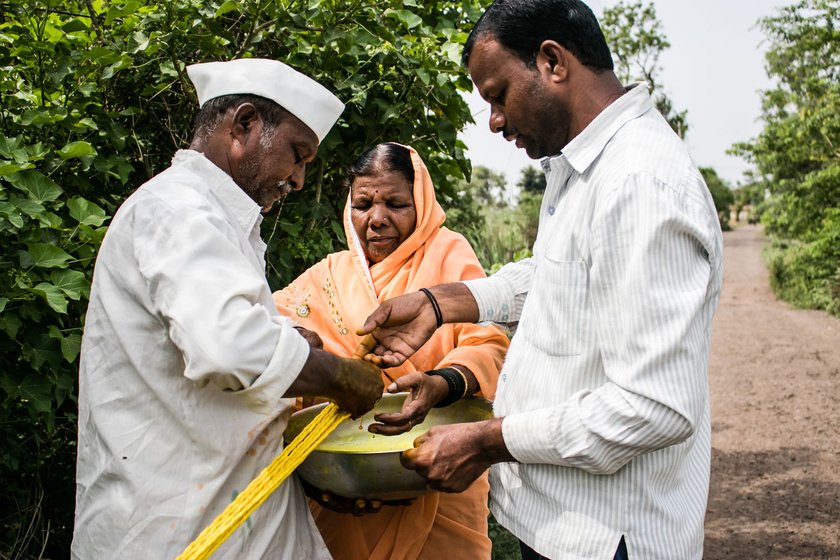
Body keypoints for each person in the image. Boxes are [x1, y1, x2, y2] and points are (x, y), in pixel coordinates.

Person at [354, 2, 724, 559]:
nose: (495, 121)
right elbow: (561, 275)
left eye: (498, 95)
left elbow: (654, 407)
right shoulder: (584, 171)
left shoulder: (640, 183)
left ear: (552, 61)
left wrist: (486, 440)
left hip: (608, 536)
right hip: (564, 522)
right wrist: (442, 302)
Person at [71, 58, 384, 559]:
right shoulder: (178, 209)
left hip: (238, 512)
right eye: (297, 154)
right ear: (244, 125)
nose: (299, 179)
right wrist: (340, 376)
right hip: (174, 528)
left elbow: (218, 340)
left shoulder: (215, 217)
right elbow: (230, 348)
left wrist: (286, 342)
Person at [273, 142, 509, 560]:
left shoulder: (448, 255)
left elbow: (486, 343)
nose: (377, 220)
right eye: (363, 204)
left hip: (440, 477)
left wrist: (442, 382)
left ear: (421, 203)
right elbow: (270, 333)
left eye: (396, 204)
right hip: (341, 489)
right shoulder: (328, 275)